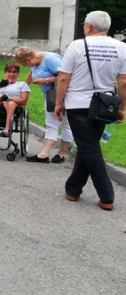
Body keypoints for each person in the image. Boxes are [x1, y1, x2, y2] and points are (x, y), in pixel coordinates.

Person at [54, 11, 126, 211]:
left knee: (88, 147)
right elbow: (123, 82)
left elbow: (63, 77)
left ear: (88, 27)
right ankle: (73, 189)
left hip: (78, 104)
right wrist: (122, 107)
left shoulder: (77, 46)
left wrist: (59, 102)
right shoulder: (122, 48)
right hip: (104, 104)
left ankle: (107, 196)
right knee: (88, 145)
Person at [16, 47, 74, 163]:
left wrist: (45, 80)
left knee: (66, 124)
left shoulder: (51, 59)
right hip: (50, 97)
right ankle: (44, 154)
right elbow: (31, 73)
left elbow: (64, 76)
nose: (24, 66)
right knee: (51, 124)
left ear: (28, 59)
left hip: (64, 96)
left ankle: (61, 154)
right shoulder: (35, 62)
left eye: (24, 64)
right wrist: (22, 87)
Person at [0, 63, 30, 136]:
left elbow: (24, 101)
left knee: (10, 104)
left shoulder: (22, 84)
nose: (12, 74)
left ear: (18, 74)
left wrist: (9, 99)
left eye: (14, 72)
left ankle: (7, 129)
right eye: (9, 71)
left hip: (12, 105)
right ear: (4, 73)